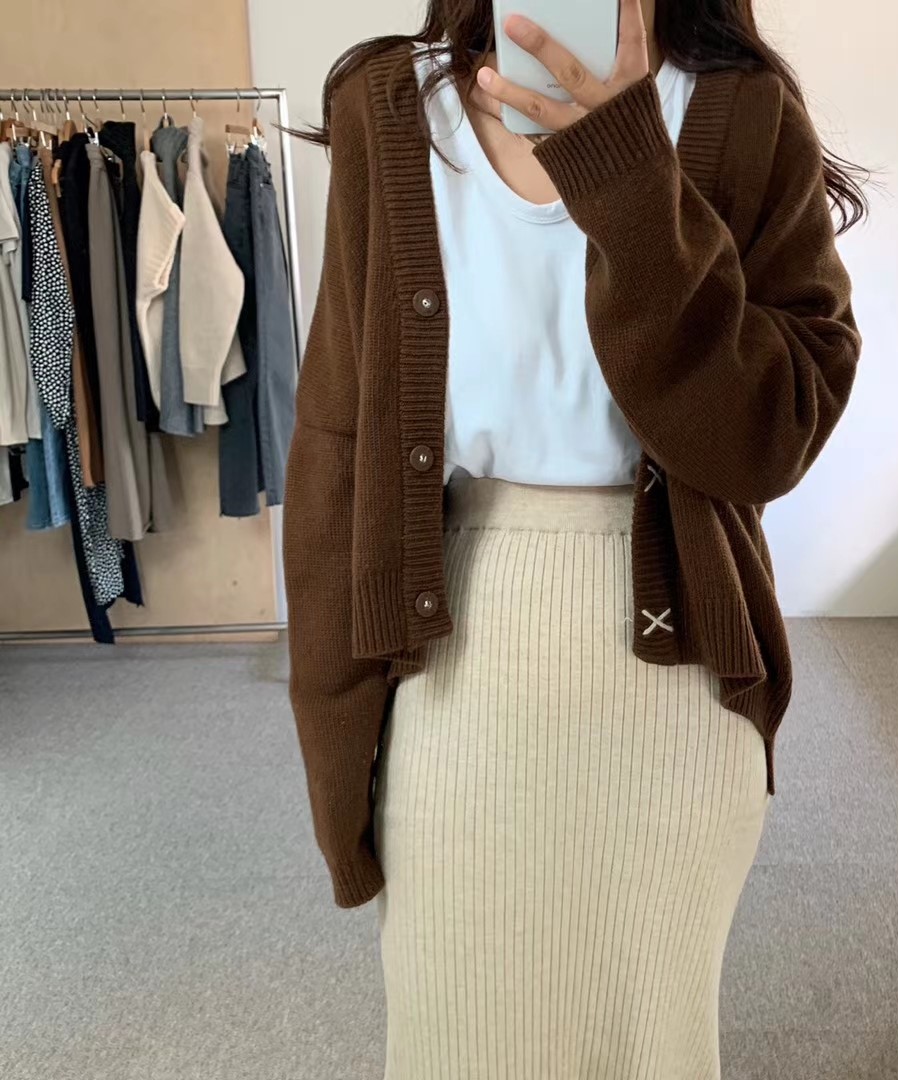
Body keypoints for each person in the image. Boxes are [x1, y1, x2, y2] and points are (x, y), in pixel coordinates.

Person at [285, 0, 865, 1075]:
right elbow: (337, 448)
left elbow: (771, 435)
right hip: (456, 675)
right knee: (454, 1040)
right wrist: (334, 741)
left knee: (648, 1042)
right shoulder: (387, 109)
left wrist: (630, 175)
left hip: (674, 685)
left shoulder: (741, 109)